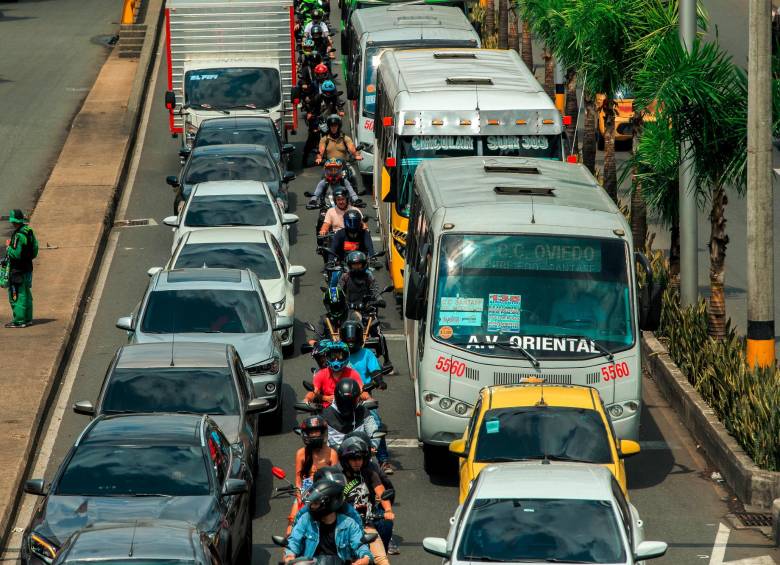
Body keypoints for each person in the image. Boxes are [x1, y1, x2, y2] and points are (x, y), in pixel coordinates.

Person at [341, 321, 393, 474]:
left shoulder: (367, 354)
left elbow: (376, 371)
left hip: (363, 397)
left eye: (353, 340)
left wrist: (380, 381)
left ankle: (383, 460)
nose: (350, 343)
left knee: (376, 423)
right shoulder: (339, 355)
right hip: (340, 397)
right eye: (347, 340)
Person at [284, 479, 371, 565]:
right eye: (311, 503)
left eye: (315, 503)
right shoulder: (306, 519)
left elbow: (359, 545)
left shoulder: (349, 524)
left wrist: (365, 558)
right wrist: (290, 556)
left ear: (329, 504)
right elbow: (294, 540)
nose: (311, 506)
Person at [339, 435, 394, 565]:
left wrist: (388, 509)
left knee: (382, 560)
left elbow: (381, 491)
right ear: (345, 460)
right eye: (353, 459)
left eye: (360, 458)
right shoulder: (338, 477)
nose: (357, 462)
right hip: (343, 527)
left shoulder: (370, 473)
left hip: (366, 525)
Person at [287, 416, 339, 534]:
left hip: (326, 492)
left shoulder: (332, 453)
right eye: (311, 432)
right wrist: (299, 494)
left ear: (323, 432)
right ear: (306, 435)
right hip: (307, 493)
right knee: (292, 521)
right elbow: (298, 477)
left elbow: (335, 478)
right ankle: (288, 549)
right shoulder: (301, 453)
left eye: (317, 431)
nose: (315, 434)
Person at [4, 209, 38, 328]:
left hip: (17, 271)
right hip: (27, 268)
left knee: (16, 296)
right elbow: (35, 250)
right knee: (26, 294)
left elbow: (16, 254)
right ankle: (27, 318)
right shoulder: (29, 231)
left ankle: (19, 320)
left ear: (13, 221)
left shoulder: (18, 235)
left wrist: (8, 247)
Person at [322, 378, 378, 450]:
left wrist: (373, 445)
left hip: (360, 455)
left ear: (357, 399)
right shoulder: (325, 415)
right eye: (343, 401)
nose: (346, 405)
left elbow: (374, 431)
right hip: (334, 456)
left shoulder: (363, 411)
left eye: (350, 401)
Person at [306, 341, 363, 408]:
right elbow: (314, 392)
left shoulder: (353, 373)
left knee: (371, 415)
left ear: (346, 356)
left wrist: (368, 399)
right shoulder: (320, 374)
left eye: (340, 356)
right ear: (327, 357)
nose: (336, 360)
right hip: (327, 412)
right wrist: (306, 400)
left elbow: (362, 391)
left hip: (350, 409)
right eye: (332, 356)